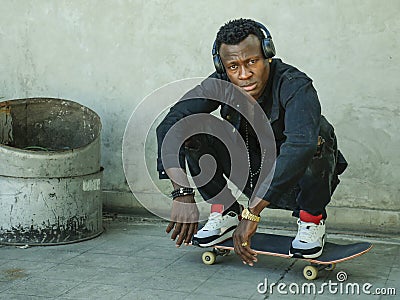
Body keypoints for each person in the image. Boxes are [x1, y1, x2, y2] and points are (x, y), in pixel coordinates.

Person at [156, 18, 347, 265]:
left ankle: (312, 220)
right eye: (233, 66)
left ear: (267, 54)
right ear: (222, 66)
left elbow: (300, 146)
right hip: (253, 174)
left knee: (315, 137)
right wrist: (181, 192)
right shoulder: (221, 83)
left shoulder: (295, 85)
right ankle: (224, 210)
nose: (244, 74)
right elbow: (170, 124)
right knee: (192, 129)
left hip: (298, 183)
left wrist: (252, 214)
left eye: (252, 62)